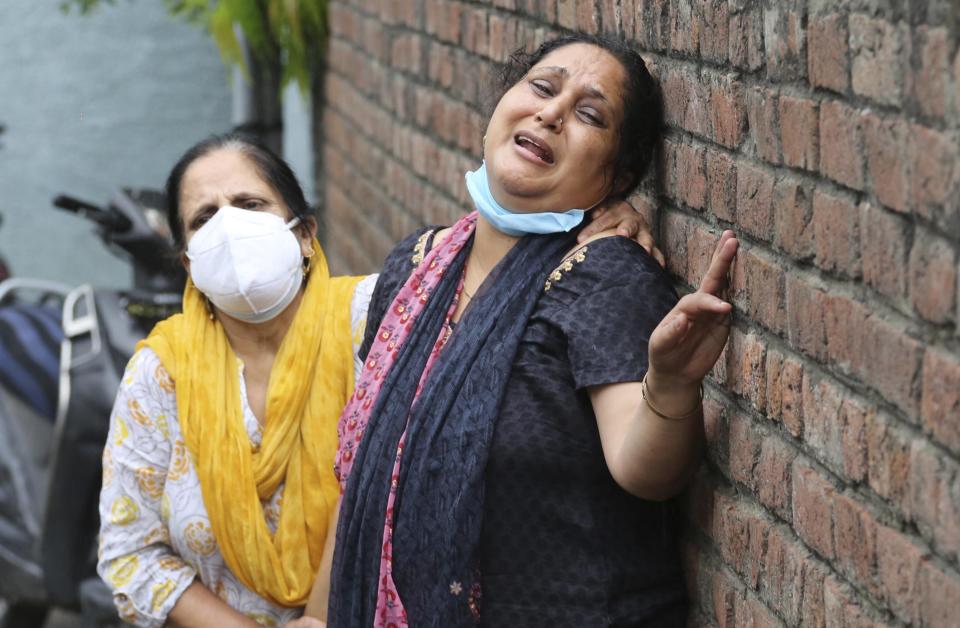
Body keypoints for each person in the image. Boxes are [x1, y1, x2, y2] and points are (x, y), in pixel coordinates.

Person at [96, 133, 661, 627]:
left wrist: (593, 221)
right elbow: (129, 554)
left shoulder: (386, 312)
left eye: (249, 204)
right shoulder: (160, 372)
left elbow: (491, 268)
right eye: (205, 217)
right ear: (188, 261)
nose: (229, 227)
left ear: (302, 231)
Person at [315, 33, 739, 628]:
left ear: (616, 176)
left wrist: (670, 384)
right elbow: (369, 474)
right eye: (542, 87)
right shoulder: (415, 269)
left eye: (590, 114)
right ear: (499, 109)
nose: (552, 112)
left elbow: (646, 472)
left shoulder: (605, 275)